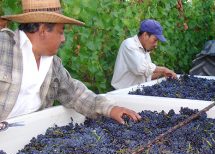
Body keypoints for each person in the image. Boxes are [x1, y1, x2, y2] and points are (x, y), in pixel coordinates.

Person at [0, 0, 141, 125]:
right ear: (43, 30)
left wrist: (110, 109)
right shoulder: (4, 47)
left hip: (25, 142)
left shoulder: (52, 64)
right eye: (60, 32)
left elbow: (75, 93)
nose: (63, 39)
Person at [111, 19, 177, 89]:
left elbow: (146, 76)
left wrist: (162, 73)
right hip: (121, 95)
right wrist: (163, 69)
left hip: (135, 94)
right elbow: (140, 68)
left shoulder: (145, 50)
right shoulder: (129, 45)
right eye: (155, 40)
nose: (156, 44)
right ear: (145, 35)